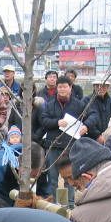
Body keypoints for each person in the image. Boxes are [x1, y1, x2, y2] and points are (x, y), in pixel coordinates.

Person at [41, 76, 94, 206]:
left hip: (71, 147)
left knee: (69, 178)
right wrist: (56, 122)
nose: (62, 89)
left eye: (65, 86)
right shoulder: (49, 104)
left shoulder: (78, 104)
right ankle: (53, 204)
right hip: (53, 146)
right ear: (56, 88)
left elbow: (93, 115)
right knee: (52, 178)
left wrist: (85, 126)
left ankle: (69, 204)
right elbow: (43, 120)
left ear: (70, 88)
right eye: (60, 87)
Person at [0, 141, 44, 205]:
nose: (32, 180)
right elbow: (2, 207)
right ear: (21, 167)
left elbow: (44, 191)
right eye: (32, 176)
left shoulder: (34, 153)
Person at [82, 79, 111, 143]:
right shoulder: (86, 100)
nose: (100, 88)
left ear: (108, 87)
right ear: (94, 86)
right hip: (90, 139)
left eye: (104, 86)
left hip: (109, 138)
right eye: (97, 86)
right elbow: (84, 119)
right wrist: (97, 136)